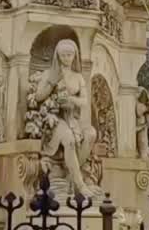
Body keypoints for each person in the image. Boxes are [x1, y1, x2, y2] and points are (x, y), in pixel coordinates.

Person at [31, 38, 96, 195]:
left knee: (91, 133)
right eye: (63, 55)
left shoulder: (78, 77)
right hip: (54, 118)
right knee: (69, 139)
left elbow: (84, 101)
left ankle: (70, 177)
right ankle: (80, 185)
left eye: (70, 55)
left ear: (75, 56)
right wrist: (51, 84)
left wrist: (70, 99)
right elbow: (38, 96)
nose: (67, 58)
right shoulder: (50, 74)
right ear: (58, 56)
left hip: (72, 118)